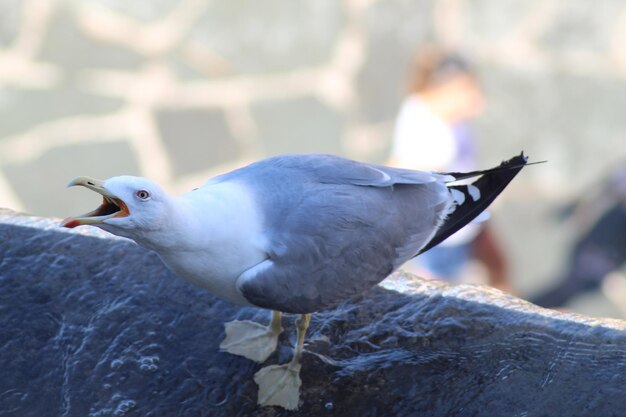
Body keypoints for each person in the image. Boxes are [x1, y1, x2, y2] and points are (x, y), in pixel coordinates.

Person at [390, 46, 510, 292]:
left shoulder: (417, 104)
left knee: (498, 265)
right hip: (449, 233)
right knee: (438, 293)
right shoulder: (437, 143)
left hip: (465, 219)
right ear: (440, 91)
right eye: (466, 89)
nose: (476, 97)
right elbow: (398, 171)